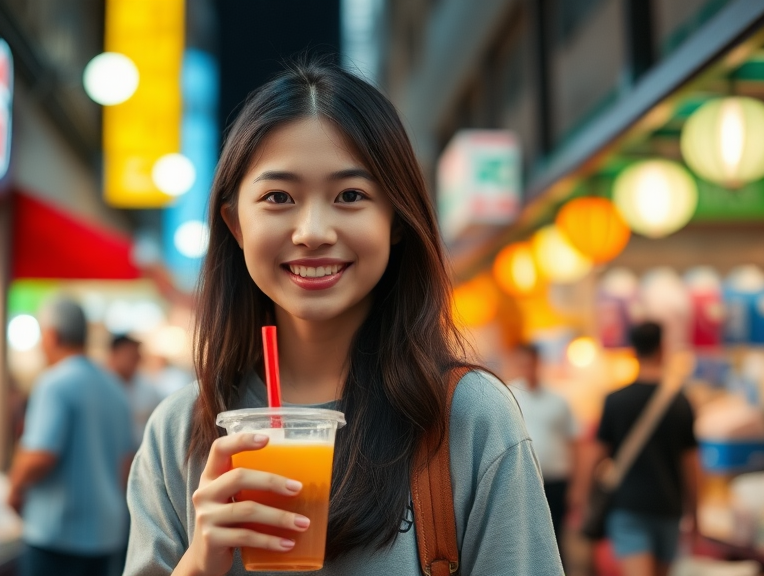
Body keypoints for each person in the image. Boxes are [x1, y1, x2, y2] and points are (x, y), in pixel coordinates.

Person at [124, 59, 563, 576]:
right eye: (278, 197)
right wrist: (198, 564)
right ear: (235, 223)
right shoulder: (181, 431)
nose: (312, 230)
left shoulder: (470, 420)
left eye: (350, 196)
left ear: (396, 221)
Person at [9, 298, 136, 576]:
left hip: (57, 535)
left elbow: (40, 456)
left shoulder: (55, 383)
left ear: (52, 336)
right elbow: (127, 464)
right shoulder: (115, 387)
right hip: (107, 534)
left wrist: (15, 488)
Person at [590, 322, 699, 576]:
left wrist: (583, 497)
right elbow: (691, 464)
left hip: (627, 506)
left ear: (633, 351)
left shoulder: (615, 401)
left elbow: (596, 456)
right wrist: (696, 513)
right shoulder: (681, 403)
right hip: (669, 508)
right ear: (663, 349)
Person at [508, 343, 578, 564]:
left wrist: (577, 485)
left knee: (556, 535)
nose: (528, 368)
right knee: (523, 536)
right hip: (523, 478)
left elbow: (573, 442)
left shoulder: (558, 400)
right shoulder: (508, 395)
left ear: (539, 363)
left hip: (556, 479)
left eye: (532, 363)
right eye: (523, 363)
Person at [108, 334, 166, 443]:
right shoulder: (100, 386)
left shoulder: (148, 388)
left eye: (137, 356)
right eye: (131, 356)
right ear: (114, 354)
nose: (137, 360)